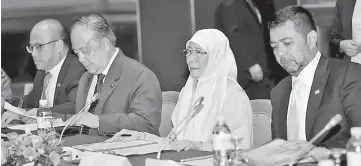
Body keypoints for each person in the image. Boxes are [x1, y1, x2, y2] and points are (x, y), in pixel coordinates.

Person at [106, 29, 253, 152]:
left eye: (198, 52)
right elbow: (175, 142)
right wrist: (141, 137)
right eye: (188, 51)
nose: (190, 59)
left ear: (216, 55)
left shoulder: (233, 95)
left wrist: (199, 146)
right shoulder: (188, 91)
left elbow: (239, 146)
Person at [269, 6, 361, 160]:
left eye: (287, 43)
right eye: (274, 46)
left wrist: (327, 155)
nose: (281, 54)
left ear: (311, 39)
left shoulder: (348, 75)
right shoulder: (278, 92)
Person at [66, 13, 162, 136]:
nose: (81, 59)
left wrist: (98, 121)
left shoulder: (140, 75)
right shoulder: (86, 78)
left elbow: (147, 123)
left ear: (105, 44)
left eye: (85, 51)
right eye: (76, 52)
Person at [1, 19, 86, 126]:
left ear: (58, 45)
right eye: (31, 48)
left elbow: (75, 107)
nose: (33, 54)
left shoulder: (78, 68)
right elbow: (29, 103)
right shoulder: (42, 72)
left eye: (39, 47)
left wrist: (38, 113)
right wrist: (8, 103)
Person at [215, 0, 287, 99]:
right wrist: (250, 65)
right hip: (248, 75)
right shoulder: (230, 5)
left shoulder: (251, 4)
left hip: (261, 71)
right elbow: (233, 37)